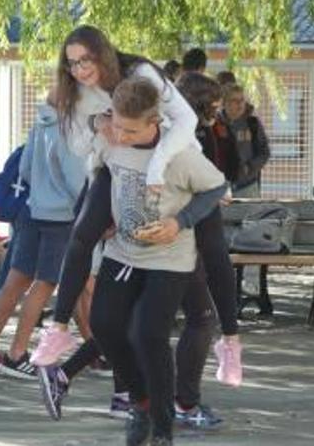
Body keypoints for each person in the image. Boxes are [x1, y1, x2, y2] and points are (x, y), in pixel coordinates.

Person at [32, 27, 243, 390]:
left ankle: (231, 340)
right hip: (117, 167)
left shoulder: (141, 74)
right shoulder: (78, 91)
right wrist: (99, 123)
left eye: (86, 60)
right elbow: (80, 146)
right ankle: (59, 328)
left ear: (103, 54)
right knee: (82, 234)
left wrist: (160, 166)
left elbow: (187, 121)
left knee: (212, 249)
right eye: (72, 63)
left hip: (173, 162)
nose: (80, 70)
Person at [89, 77, 226, 445]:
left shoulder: (179, 155)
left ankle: (162, 429)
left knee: (148, 335)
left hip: (169, 259)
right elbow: (98, 181)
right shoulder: (111, 141)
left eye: (130, 130)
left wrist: (179, 221)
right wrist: (97, 222)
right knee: (103, 324)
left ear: (154, 123)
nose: (120, 135)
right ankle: (141, 401)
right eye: (115, 124)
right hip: (123, 253)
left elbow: (217, 187)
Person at [0, 90, 85, 380]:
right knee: (45, 284)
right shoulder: (72, 129)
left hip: (33, 210)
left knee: (15, 280)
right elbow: (76, 181)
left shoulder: (40, 123)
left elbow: (26, 168)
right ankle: (17, 353)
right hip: (61, 215)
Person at [220, 84, 270, 198]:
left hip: (247, 187)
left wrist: (249, 167)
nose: (240, 104)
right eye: (234, 100)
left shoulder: (253, 124)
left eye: (242, 100)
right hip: (220, 189)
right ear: (225, 103)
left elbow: (264, 152)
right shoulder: (214, 124)